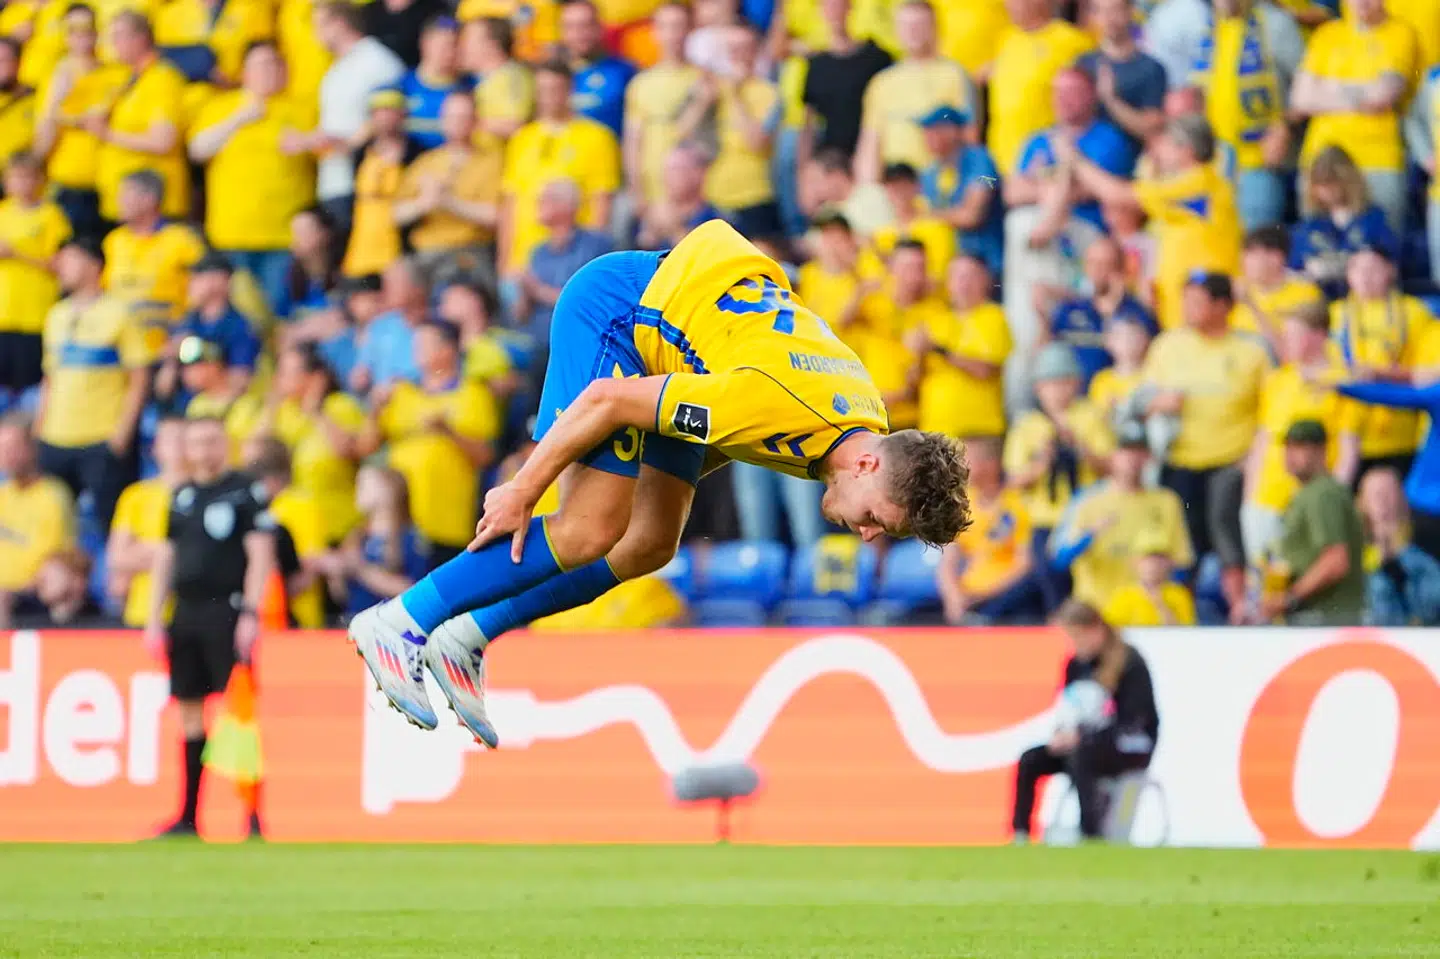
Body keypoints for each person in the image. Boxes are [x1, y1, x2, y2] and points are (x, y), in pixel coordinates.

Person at [349, 219, 974, 743]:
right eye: (877, 519)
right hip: (620, 312)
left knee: (649, 541)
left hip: (687, 347)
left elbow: (732, 429)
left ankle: (468, 634)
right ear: (868, 466)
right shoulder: (782, 403)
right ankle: (401, 621)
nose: (867, 534)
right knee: (590, 527)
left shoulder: (860, 423)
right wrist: (523, 488)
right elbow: (607, 400)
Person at [142, 415, 279, 837]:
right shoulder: (180, 496)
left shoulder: (245, 492)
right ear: (187, 448)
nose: (205, 449)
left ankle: (253, 817)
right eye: (197, 441)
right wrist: (154, 617)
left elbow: (260, 554)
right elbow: (166, 559)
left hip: (228, 611)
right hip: (186, 612)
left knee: (240, 710)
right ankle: (188, 817)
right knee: (189, 708)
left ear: (225, 444)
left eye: (212, 440)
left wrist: (251, 612)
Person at [1144, 272, 1268, 611]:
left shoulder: (1251, 351)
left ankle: (1240, 609)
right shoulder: (1167, 346)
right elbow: (1141, 401)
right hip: (1179, 462)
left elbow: (1269, 412)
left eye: (1197, 302)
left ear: (1223, 306)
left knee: (1226, 532)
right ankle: (1178, 612)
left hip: (1230, 461)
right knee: (1181, 543)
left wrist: (1252, 459)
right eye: (1185, 300)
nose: (1188, 309)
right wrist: (1158, 404)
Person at [1063, 114, 1239, 332]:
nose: (1158, 150)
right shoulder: (1193, 181)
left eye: (1165, 144)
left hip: (1204, 305)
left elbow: (1116, 194)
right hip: (1182, 306)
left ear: (1186, 150)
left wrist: (1074, 159)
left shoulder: (1196, 183)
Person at [1011, 600, 1158, 843]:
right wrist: (1062, 733)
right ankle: (1020, 834)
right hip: (1083, 743)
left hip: (1128, 745)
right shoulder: (1075, 665)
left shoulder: (1129, 662)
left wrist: (1082, 737)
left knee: (1083, 755)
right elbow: (1068, 708)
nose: (1075, 644)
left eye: (1078, 636)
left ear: (1096, 630)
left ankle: (1090, 834)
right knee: (1031, 759)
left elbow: (1134, 719)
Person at [358, 319, 499, 569]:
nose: (417, 350)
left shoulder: (473, 393)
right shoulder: (400, 392)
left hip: (444, 523)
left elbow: (485, 456)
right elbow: (365, 447)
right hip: (398, 521)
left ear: (448, 349)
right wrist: (375, 409)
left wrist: (448, 431)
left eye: (425, 344)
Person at [188, 40, 315, 314]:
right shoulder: (220, 107)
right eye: (261, 65)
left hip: (282, 236)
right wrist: (240, 118)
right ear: (244, 72)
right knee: (238, 314)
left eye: (274, 63)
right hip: (231, 235)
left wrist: (307, 141)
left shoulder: (302, 109)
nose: (268, 71)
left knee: (277, 314)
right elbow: (197, 149)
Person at [37, 236, 153, 532]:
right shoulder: (56, 314)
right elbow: (50, 377)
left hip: (102, 438)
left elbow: (139, 377)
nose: (60, 266)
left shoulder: (120, 313)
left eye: (69, 259)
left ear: (93, 265)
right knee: (54, 526)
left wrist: (122, 434)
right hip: (55, 438)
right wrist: (40, 428)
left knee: (111, 525)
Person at [1004, 342, 1115, 612]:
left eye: (1064, 382)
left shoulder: (1090, 417)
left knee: (1089, 586)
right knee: (1051, 584)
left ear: (1076, 383)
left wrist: (1081, 449)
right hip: (1047, 519)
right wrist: (1042, 462)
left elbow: (1111, 467)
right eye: (1050, 383)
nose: (1057, 390)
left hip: (1085, 517)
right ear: (1038, 388)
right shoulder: (1028, 425)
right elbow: (1014, 479)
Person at [1290, 0, 1417, 232]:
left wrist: (1325, 88)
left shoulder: (1400, 32)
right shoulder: (1327, 34)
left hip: (1376, 161)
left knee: (1378, 250)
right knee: (1319, 247)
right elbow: (1300, 99)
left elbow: (1382, 95)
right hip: (1320, 160)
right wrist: (1361, 91)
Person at [499, 58, 620, 289]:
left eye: (555, 89)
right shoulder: (521, 139)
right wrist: (504, 261)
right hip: (522, 265)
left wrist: (590, 264)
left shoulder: (597, 138)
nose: (549, 97)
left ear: (570, 90)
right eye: (542, 90)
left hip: (570, 264)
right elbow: (510, 204)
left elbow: (601, 205)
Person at [1051, 419, 1194, 611]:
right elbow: (1059, 560)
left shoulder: (1166, 501)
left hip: (1146, 613)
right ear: (1112, 454)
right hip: (1098, 610)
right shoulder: (1085, 501)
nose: (1132, 459)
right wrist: (1088, 536)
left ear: (1149, 456)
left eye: (1139, 451)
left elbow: (1182, 563)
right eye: (1126, 450)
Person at [1329, 244, 1432, 483]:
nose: (1365, 276)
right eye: (1357, 269)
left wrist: (1380, 373)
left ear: (1390, 271)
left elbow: (1428, 373)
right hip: (1345, 435)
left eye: (1373, 268)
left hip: (1400, 431)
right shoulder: (1334, 314)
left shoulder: (1415, 312)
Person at [312, 1, 407, 240]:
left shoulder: (377, 60)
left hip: (364, 178)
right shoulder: (336, 68)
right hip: (332, 180)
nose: (315, 33)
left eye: (320, 24)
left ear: (340, 23)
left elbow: (391, 113)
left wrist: (350, 144)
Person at [1258, 420, 1367, 625]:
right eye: (1287, 447)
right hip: (1317, 616)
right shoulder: (1309, 492)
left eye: (1300, 447)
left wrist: (1290, 598)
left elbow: (1335, 561)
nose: (1290, 455)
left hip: (1325, 616)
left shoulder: (1322, 494)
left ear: (1321, 450)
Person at [855, 0, 975, 183]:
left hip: (940, 185)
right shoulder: (882, 82)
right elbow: (871, 143)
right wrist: (868, 187)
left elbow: (969, 137)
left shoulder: (955, 75)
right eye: (907, 26)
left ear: (934, 28)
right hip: (895, 185)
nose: (913, 31)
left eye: (919, 25)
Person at [31, 3, 123, 239]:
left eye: (87, 27)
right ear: (65, 35)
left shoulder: (115, 74)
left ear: (97, 31)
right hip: (68, 182)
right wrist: (56, 101)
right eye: (73, 29)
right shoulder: (56, 76)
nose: (81, 35)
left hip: (110, 184)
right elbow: (43, 140)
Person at [394, 91, 502, 288]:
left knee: (454, 286)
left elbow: (496, 216)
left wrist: (449, 202)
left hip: (469, 250)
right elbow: (395, 214)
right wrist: (423, 203)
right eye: (452, 117)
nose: (457, 123)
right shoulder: (426, 162)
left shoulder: (491, 162)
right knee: (397, 277)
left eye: (463, 117)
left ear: (475, 121)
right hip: (425, 252)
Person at [686, 24, 782, 241]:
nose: (739, 55)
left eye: (745, 48)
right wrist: (703, 101)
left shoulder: (770, 93)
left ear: (756, 51)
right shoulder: (714, 89)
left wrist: (736, 95)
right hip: (715, 193)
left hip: (755, 192)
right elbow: (684, 133)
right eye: (732, 49)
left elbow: (756, 142)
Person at [93, 13, 188, 225]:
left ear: (141, 38)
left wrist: (107, 133)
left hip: (153, 209)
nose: (113, 43)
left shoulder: (162, 78)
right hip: (125, 203)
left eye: (119, 36)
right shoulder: (129, 77)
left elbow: (163, 140)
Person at [1336, 371, 1440, 562]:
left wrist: (1344, 386)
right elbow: (1399, 396)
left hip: (1425, 504)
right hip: (1425, 508)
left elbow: (1399, 396)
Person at [908, 254, 1011, 441]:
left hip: (979, 431)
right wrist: (920, 354)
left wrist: (937, 349)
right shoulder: (935, 320)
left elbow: (985, 370)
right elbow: (914, 381)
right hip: (934, 431)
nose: (964, 283)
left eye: (971, 275)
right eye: (956, 276)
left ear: (986, 280)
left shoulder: (994, 317)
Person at [987, 0, 1095, 177]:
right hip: (1001, 161)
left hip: (1047, 160)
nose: (1008, 5)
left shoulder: (1071, 41)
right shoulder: (1006, 39)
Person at [937, 435, 1036, 624]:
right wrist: (953, 597)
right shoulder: (962, 504)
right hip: (969, 594)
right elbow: (948, 562)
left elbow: (1025, 564)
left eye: (966, 460)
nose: (958, 467)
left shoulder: (1018, 504)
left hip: (1005, 597)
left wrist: (981, 597)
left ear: (991, 465)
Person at [101, 169, 206, 342]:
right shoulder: (114, 241)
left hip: (171, 339)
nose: (119, 201)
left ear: (149, 199)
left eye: (126, 194)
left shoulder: (181, 240)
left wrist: (185, 331)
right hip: (122, 341)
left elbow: (205, 289)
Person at [1044, 236, 1158, 391]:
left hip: (1114, 397)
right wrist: (1042, 318)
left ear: (1119, 269)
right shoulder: (1070, 309)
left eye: (1105, 264)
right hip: (1072, 399)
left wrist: (1113, 308)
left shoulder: (1137, 313)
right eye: (1092, 263)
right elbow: (1048, 351)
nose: (1097, 270)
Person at [0, 414, 81, 630]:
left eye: (13, 447)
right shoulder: (3, 496)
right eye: (2, 448)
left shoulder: (52, 495)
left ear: (32, 449)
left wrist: (21, 588)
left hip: (33, 594)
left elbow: (59, 555)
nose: (6, 456)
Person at [0, 151, 70, 396]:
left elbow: (61, 264)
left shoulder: (51, 216)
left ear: (41, 180)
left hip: (35, 314)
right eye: (16, 177)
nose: (22, 183)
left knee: (28, 386)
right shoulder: (2, 213)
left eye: (28, 177)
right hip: (3, 313)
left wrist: (17, 254)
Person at [622, 1, 702, 216]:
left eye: (679, 26)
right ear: (655, 32)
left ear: (690, 29)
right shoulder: (640, 83)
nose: (672, 35)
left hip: (693, 195)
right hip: (653, 193)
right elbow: (633, 142)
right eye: (665, 26)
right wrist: (637, 191)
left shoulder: (704, 79)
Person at [108, 415, 187, 628]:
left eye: (183, 439)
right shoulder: (136, 496)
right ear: (155, 448)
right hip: (141, 612)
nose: (178, 446)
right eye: (170, 439)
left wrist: (146, 551)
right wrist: (167, 552)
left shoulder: (208, 495)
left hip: (192, 614)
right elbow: (117, 557)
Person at [1290, 147, 1398, 299]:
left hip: (1365, 300)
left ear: (1349, 182)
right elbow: (1295, 267)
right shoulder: (1310, 225)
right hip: (1319, 300)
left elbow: (1389, 262)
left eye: (1332, 183)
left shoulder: (1373, 219)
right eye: (1320, 185)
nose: (1327, 190)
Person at [519, 178, 613, 350]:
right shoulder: (538, 252)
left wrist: (539, 291)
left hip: (578, 342)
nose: (539, 203)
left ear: (568, 206)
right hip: (538, 341)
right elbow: (522, 315)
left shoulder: (594, 246)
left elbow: (587, 300)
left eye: (547, 198)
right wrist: (524, 292)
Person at [799, 0, 892, 162]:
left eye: (839, 4)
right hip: (831, 159)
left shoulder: (876, 58)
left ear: (850, 7)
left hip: (870, 155)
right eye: (829, 6)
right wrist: (804, 166)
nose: (835, 11)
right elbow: (809, 122)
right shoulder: (817, 64)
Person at [917, 106, 1003, 279]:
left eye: (932, 129)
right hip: (950, 270)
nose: (926, 136)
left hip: (986, 265)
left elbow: (972, 215)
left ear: (951, 132)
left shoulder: (980, 160)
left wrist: (931, 215)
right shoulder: (930, 173)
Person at [342, 90, 418, 280]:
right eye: (379, 112)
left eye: (391, 111)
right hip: (363, 242)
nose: (385, 119)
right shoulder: (362, 151)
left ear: (403, 115)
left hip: (400, 242)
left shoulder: (416, 153)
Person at [337, 464, 428, 622]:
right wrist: (336, 572)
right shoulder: (357, 537)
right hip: (354, 622)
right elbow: (342, 597)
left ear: (388, 491)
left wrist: (360, 569)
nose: (357, 490)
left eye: (364, 485)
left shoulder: (410, 538)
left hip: (393, 625)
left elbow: (414, 590)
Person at [1077, 0, 1167, 152]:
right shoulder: (1084, 63)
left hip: (1131, 159)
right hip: (1088, 155)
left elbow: (1152, 129)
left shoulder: (1151, 69)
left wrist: (1111, 100)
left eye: (1115, 10)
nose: (1109, 18)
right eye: (1101, 11)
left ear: (1130, 11)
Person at [1357, 467, 1440, 626]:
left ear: (1401, 497)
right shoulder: (1355, 550)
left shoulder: (1425, 544)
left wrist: (1400, 559)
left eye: (1388, 492)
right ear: (1363, 501)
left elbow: (1432, 605)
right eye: (1375, 494)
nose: (1382, 500)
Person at [1230, 225, 1324, 349]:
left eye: (1252, 253)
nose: (1245, 260)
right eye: (1245, 253)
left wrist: (1252, 306)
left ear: (1277, 257)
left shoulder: (1304, 293)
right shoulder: (1235, 290)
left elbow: (1290, 351)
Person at [559, 0, 635, 139]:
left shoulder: (624, 73)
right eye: (570, 27)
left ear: (600, 28)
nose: (578, 34)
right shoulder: (552, 75)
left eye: (585, 26)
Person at [396, 15, 472, 152]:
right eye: (444, 45)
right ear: (424, 43)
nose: (450, 52)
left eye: (455, 45)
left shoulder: (469, 87)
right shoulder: (403, 85)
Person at [635, 143, 721, 251]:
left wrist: (675, 230)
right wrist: (649, 234)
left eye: (676, 170)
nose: (667, 177)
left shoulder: (714, 219)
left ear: (699, 174)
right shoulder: (654, 213)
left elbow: (703, 255)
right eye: (666, 170)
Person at [463, 15, 534, 145]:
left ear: (492, 44)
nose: (463, 47)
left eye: (469, 39)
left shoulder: (513, 77)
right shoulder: (477, 79)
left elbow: (514, 125)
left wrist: (467, 122)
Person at [1102, 534, 1198, 626]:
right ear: (1135, 562)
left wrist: (1160, 605)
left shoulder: (1179, 594)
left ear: (1169, 562)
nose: (1153, 564)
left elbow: (1185, 632)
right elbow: (1111, 630)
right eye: (1147, 559)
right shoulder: (1123, 595)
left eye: (1160, 559)